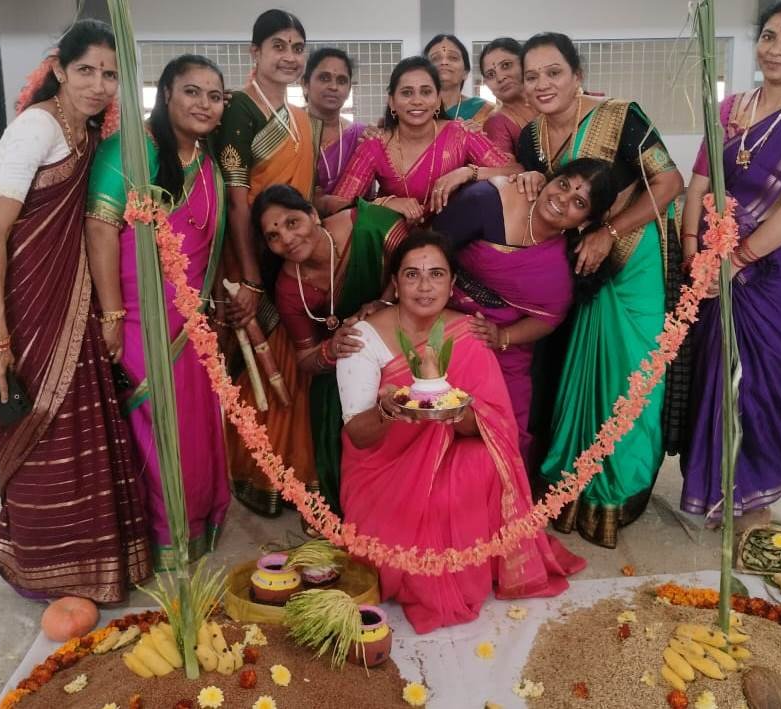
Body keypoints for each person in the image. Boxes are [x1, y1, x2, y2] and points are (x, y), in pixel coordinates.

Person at [337, 231, 586, 634]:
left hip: (448, 452)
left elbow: (492, 427)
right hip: (383, 473)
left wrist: (450, 410)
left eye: (436, 274)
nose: (424, 286)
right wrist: (389, 412)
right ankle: (430, 558)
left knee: (487, 460)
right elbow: (360, 436)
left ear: (452, 283)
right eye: (412, 274)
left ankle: (466, 562)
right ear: (395, 283)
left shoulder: (469, 332)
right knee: (396, 551)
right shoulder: (362, 338)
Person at [0, 20, 151, 602]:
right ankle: (44, 565)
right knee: (38, 425)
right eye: (86, 70)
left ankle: (91, 562)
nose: (98, 85)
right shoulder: (34, 128)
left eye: (109, 74)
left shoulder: (90, 133)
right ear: (58, 69)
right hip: (28, 304)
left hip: (74, 298)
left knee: (80, 423)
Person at [517, 33, 685, 548]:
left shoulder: (621, 116)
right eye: (531, 76)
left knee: (631, 377)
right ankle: (573, 486)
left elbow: (670, 183)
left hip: (634, 261)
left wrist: (609, 231)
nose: (542, 84)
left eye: (553, 72)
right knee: (581, 377)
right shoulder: (530, 138)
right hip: (580, 268)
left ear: (577, 75)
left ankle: (617, 491)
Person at [681, 0, 781, 525]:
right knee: (717, 374)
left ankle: (757, 496)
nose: (776, 49)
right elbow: (699, 184)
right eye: (769, 36)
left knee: (767, 382)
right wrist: (692, 251)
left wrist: (736, 261)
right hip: (715, 259)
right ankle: (718, 488)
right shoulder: (729, 110)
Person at [85, 55, 229, 568]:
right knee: (153, 426)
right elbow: (100, 229)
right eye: (192, 91)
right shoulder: (130, 151)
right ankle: (157, 538)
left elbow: (207, 245)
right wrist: (111, 316)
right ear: (165, 93)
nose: (204, 104)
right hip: (138, 317)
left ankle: (193, 526)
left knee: (194, 427)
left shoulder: (208, 163)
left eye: (214, 96)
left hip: (193, 321)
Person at [432, 158, 618, 462]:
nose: (562, 199)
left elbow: (548, 319)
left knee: (503, 434)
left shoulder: (562, 264)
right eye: (563, 184)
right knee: (429, 410)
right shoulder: (490, 199)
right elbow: (428, 253)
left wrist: (502, 336)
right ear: (548, 179)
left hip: (502, 348)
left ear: (585, 222)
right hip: (439, 321)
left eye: (579, 202)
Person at [215, 9, 318, 517]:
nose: (290, 56)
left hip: (294, 253)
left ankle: (296, 473)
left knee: (294, 366)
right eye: (279, 45)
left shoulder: (300, 118)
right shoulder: (238, 109)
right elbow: (236, 202)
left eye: (297, 47)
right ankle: (256, 473)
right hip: (252, 257)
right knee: (257, 366)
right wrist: (251, 277)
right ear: (255, 52)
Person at [251, 185, 406, 514]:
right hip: (350, 356)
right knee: (330, 398)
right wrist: (332, 350)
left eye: (292, 223)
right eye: (273, 236)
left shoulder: (370, 228)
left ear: (313, 214)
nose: (287, 239)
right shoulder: (290, 287)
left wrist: (384, 303)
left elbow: (421, 267)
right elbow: (306, 360)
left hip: (404, 335)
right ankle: (360, 505)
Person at [328, 56, 516, 223]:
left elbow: (514, 172)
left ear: (438, 100)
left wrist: (467, 173)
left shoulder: (460, 134)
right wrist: (384, 203)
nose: (417, 101)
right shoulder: (375, 144)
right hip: (394, 239)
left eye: (426, 92)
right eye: (407, 93)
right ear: (392, 102)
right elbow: (338, 204)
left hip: (455, 238)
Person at [303, 47, 367, 215]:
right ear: (305, 84)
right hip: (296, 225)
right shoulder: (289, 130)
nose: (333, 86)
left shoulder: (361, 135)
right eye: (324, 78)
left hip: (350, 225)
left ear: (349, 89)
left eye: (342, 80)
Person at [481, 37, 538, 155]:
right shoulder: (496, 123)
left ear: (524, 64)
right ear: (486, 83)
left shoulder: (550, 101)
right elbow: (503, 166)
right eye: (491, 74)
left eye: (506, 65)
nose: (500, 78)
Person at [424, 33, 494, 124]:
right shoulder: (415, 110)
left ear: (465, 72)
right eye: (435, 59)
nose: (444, 62)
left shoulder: (487, 111)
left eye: (453, 58)